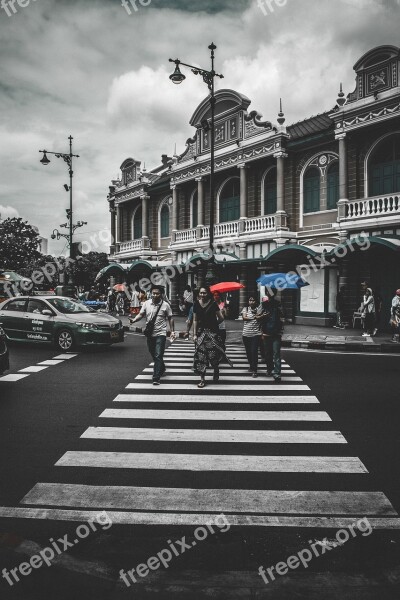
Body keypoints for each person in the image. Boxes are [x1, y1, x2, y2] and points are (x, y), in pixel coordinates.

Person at [130, 286, 175, 385]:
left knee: (158, 354)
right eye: (153, 293)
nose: (155, 295)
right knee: (153, 352)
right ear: (151, 293)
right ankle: (161, 367)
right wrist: (133, 320)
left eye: (157, 293)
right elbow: (141, 314)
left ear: (161, 294)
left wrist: (172, 331)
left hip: (161, 333)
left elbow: (170, 318)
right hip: (150, 333)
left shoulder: (165, 305)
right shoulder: (146, 303)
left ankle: (156, 377)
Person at [192, 286, 231, 388]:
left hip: (212, 334)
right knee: (201, 357)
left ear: (208, 294)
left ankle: (216, 369)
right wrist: (194, 334)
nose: (202, 295)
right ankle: (202, 379)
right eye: (201, 293)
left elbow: (221, 318)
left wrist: (213, 325)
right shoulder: (196, 304)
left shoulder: (213, 304)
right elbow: (195, 320)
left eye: (204, 293)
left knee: (213, 356)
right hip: (201, 334)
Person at [256, 291, 285, 383]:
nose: (270, 294)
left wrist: (281, 329)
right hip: (266, 332)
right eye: (269, 292)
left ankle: (277, 374)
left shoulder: (278, 304)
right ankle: (270, 369)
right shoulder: (263, 305)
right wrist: (264, 315)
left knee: (276, 354)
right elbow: (257, 317)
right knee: (268, 354)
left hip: (276, 333)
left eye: (272, 292)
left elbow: (282, 317)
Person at [241, 296, 261, 377]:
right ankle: (251, 365)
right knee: (248, 352)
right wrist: (254, 317)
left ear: (256, 302)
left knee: (254, 351)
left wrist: (257, 316)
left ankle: (255, 370)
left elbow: (261, 319)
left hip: (256, 334)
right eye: (250, 300)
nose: (251, 302)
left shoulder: (259, 310)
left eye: (253, 300)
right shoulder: (245, 309)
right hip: (245, 334)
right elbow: (244, 318)